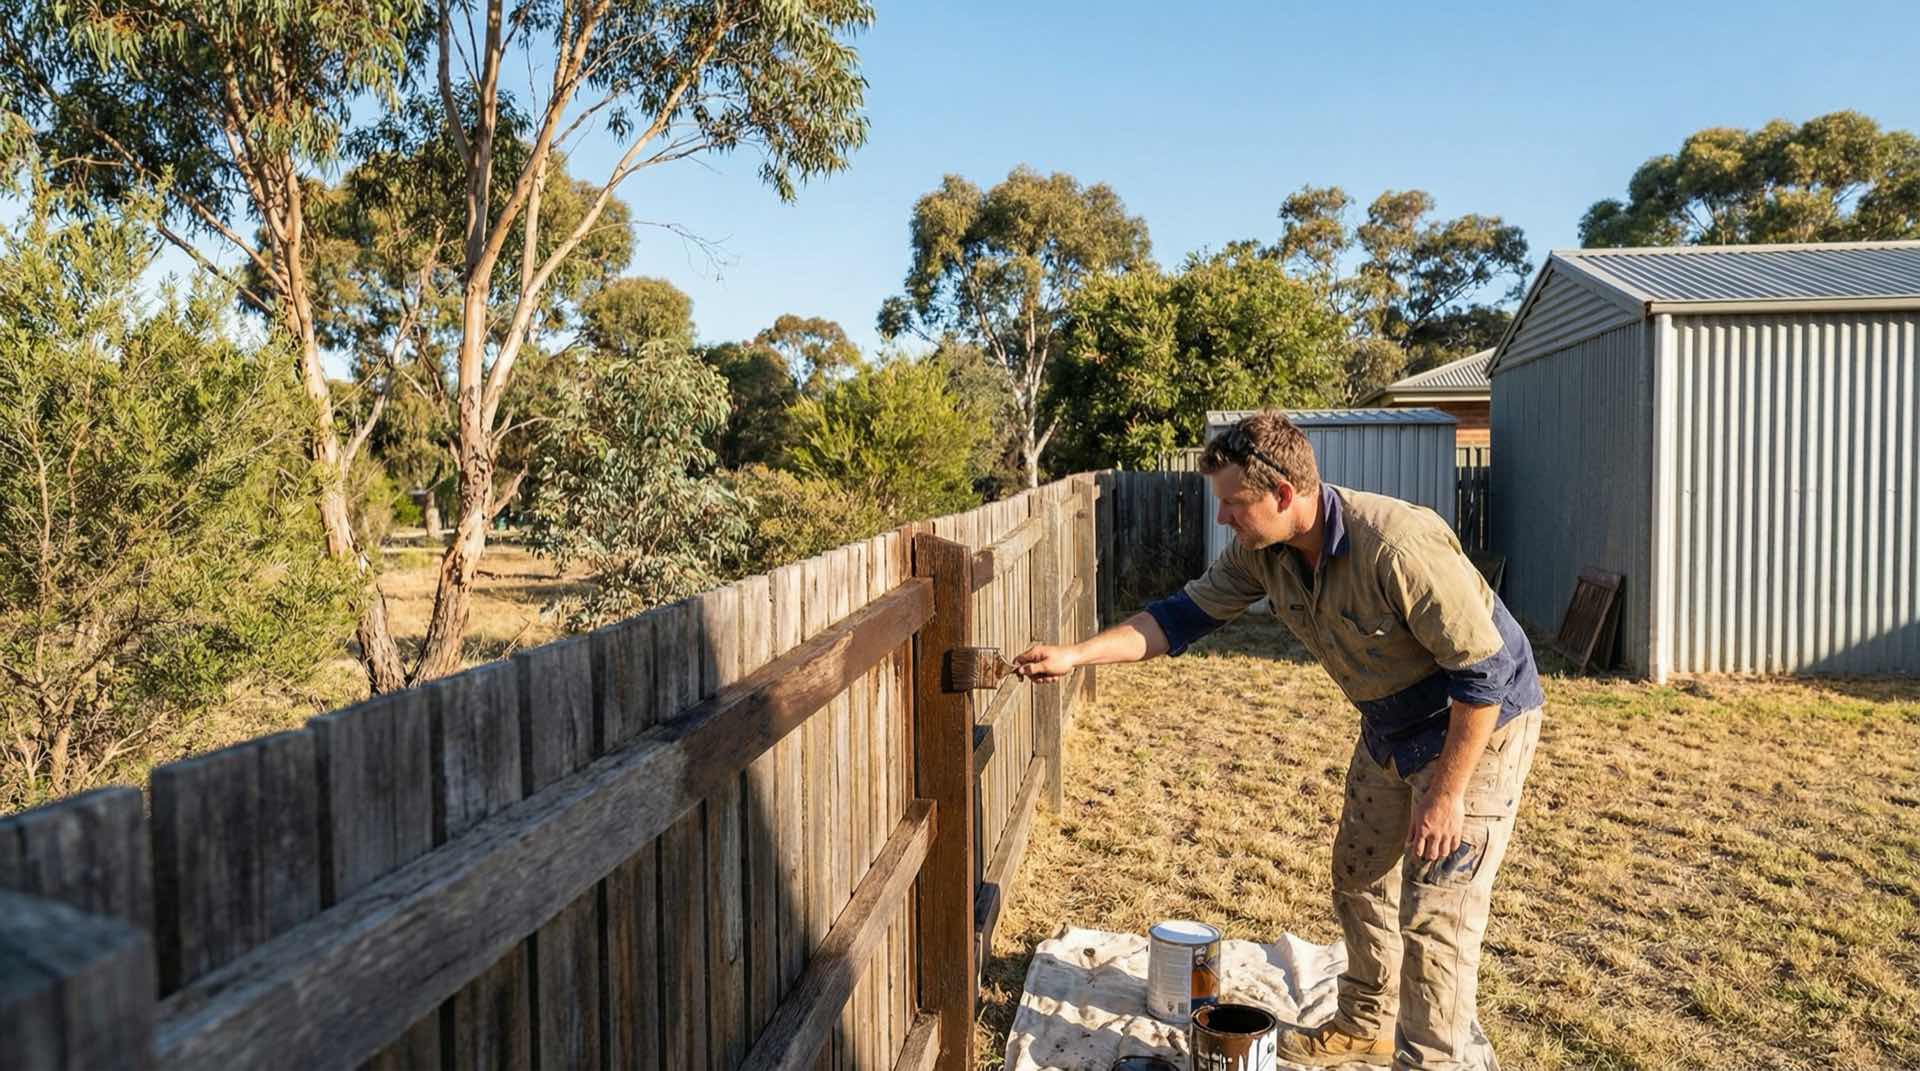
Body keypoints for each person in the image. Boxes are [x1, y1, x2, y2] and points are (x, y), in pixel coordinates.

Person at [1015, 410, 1543, 1071]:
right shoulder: (1262, 555)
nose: (1223, 519)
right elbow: (1177, 619)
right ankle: (1366, 1023)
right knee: (1360, 875)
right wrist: (1075, 655)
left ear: (1285, 494)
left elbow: (1483, 671)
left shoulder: (1399, 546)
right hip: (1391, 725)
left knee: (1436, 915)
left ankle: (1431, 1059)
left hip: (1477, 724)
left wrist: (1448, 793)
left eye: (1233, 504)